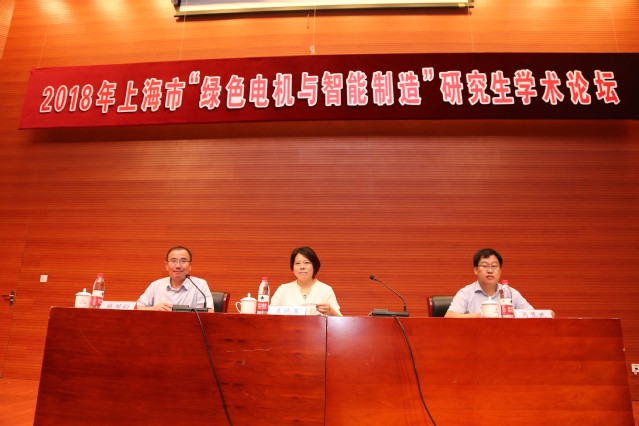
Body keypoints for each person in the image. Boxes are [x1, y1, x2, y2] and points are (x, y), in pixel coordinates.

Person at [445, 248, 533, 318]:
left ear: (500, 271)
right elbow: (449, 316)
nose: (490, 270)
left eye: (494, 266)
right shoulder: (466, 293)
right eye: (485, 266)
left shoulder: (510, 293)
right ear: (476, 270)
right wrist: (479, 316)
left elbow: (533, 315)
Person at [137, 246, 214, 312]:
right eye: (173, 261)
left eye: (183, 261)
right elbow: (137, 307)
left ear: (190, 265)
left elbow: (209, 311)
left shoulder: (200, 285)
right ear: (166, 265)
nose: (178, 266)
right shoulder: (156, 285)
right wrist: (153, 309)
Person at [270, 246, 342, 316]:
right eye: (297, 263)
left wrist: (330, 311)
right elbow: (269, 317)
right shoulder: (283, 290)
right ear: (293, 267)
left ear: (314, 266)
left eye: (306, 262)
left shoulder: (326, 290)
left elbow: (340, 321)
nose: (302, 267)